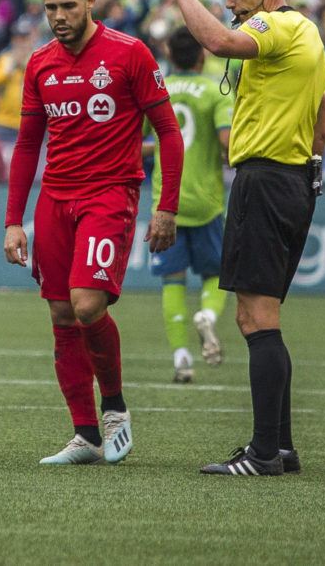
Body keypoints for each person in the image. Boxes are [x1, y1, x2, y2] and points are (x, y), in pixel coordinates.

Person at [3, 0, 184, 465]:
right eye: (49, 7)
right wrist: (14, 219)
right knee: (61, 312)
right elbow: (26, 144)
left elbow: (169, 133)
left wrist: (166, 207)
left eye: (67, 6)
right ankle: (84, 434)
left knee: (87, 305)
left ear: (90, 2)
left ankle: (116, 408)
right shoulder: (39, 62)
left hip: (109, 194)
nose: (58, 16)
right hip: (54, 199)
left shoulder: (130, 54)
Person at [166, 0, 325, 476]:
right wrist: (312, 166)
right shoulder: (310, 36)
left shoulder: (277, 26)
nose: (232, 3)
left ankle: (262, 453)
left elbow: (216, 40)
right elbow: (322, 114)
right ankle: (280, 449)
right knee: (265, 318)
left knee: (254, 317)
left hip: (265, 179)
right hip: (294, 178)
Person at [143, 27, 233, 383]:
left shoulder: (156, 88)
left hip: (167, 203)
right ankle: (208, 317)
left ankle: (181, 359)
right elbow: (228, 143)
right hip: (207, 201)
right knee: (216, 275)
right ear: (203, 55)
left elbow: (138, 144)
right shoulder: (215, 91)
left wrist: (162, 147)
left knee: (172, 282)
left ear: (169, 54)